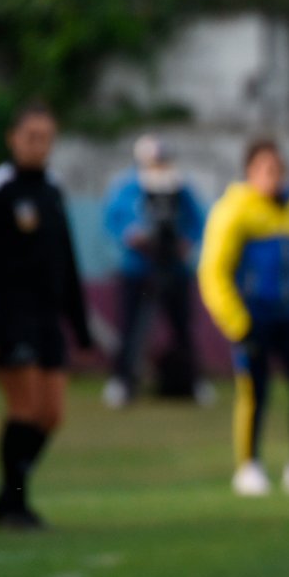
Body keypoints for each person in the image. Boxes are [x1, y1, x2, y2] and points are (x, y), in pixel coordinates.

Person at [198, 138, 289, 496]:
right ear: (249, 172)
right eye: (264, 170)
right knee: (254, 392)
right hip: (254, 317)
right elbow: (214, 271)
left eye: (276, 169)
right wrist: (236, 321)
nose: (271, 177)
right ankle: (249, 466)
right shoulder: (234, 210)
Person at [0, 103, 92, 530]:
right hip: (9, 316)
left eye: (46, 138)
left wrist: (80, 321)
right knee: (25, 406)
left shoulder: (53, 189)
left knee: (51, 414)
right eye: (31, 136)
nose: (38, 145)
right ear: (13, 138)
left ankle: (8, 497)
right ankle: (15, 502)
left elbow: (65, 258)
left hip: (48, 317)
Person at [101, 134, 209, 408]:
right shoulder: (128, 186)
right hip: (139, 269)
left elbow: (198, 221)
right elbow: (113, 220)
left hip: (174, 267)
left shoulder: (179, 186)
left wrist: (187, 242)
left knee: (182, 326)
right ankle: (122, 381)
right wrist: (131, 236)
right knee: (132, 328)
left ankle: (193, 381)